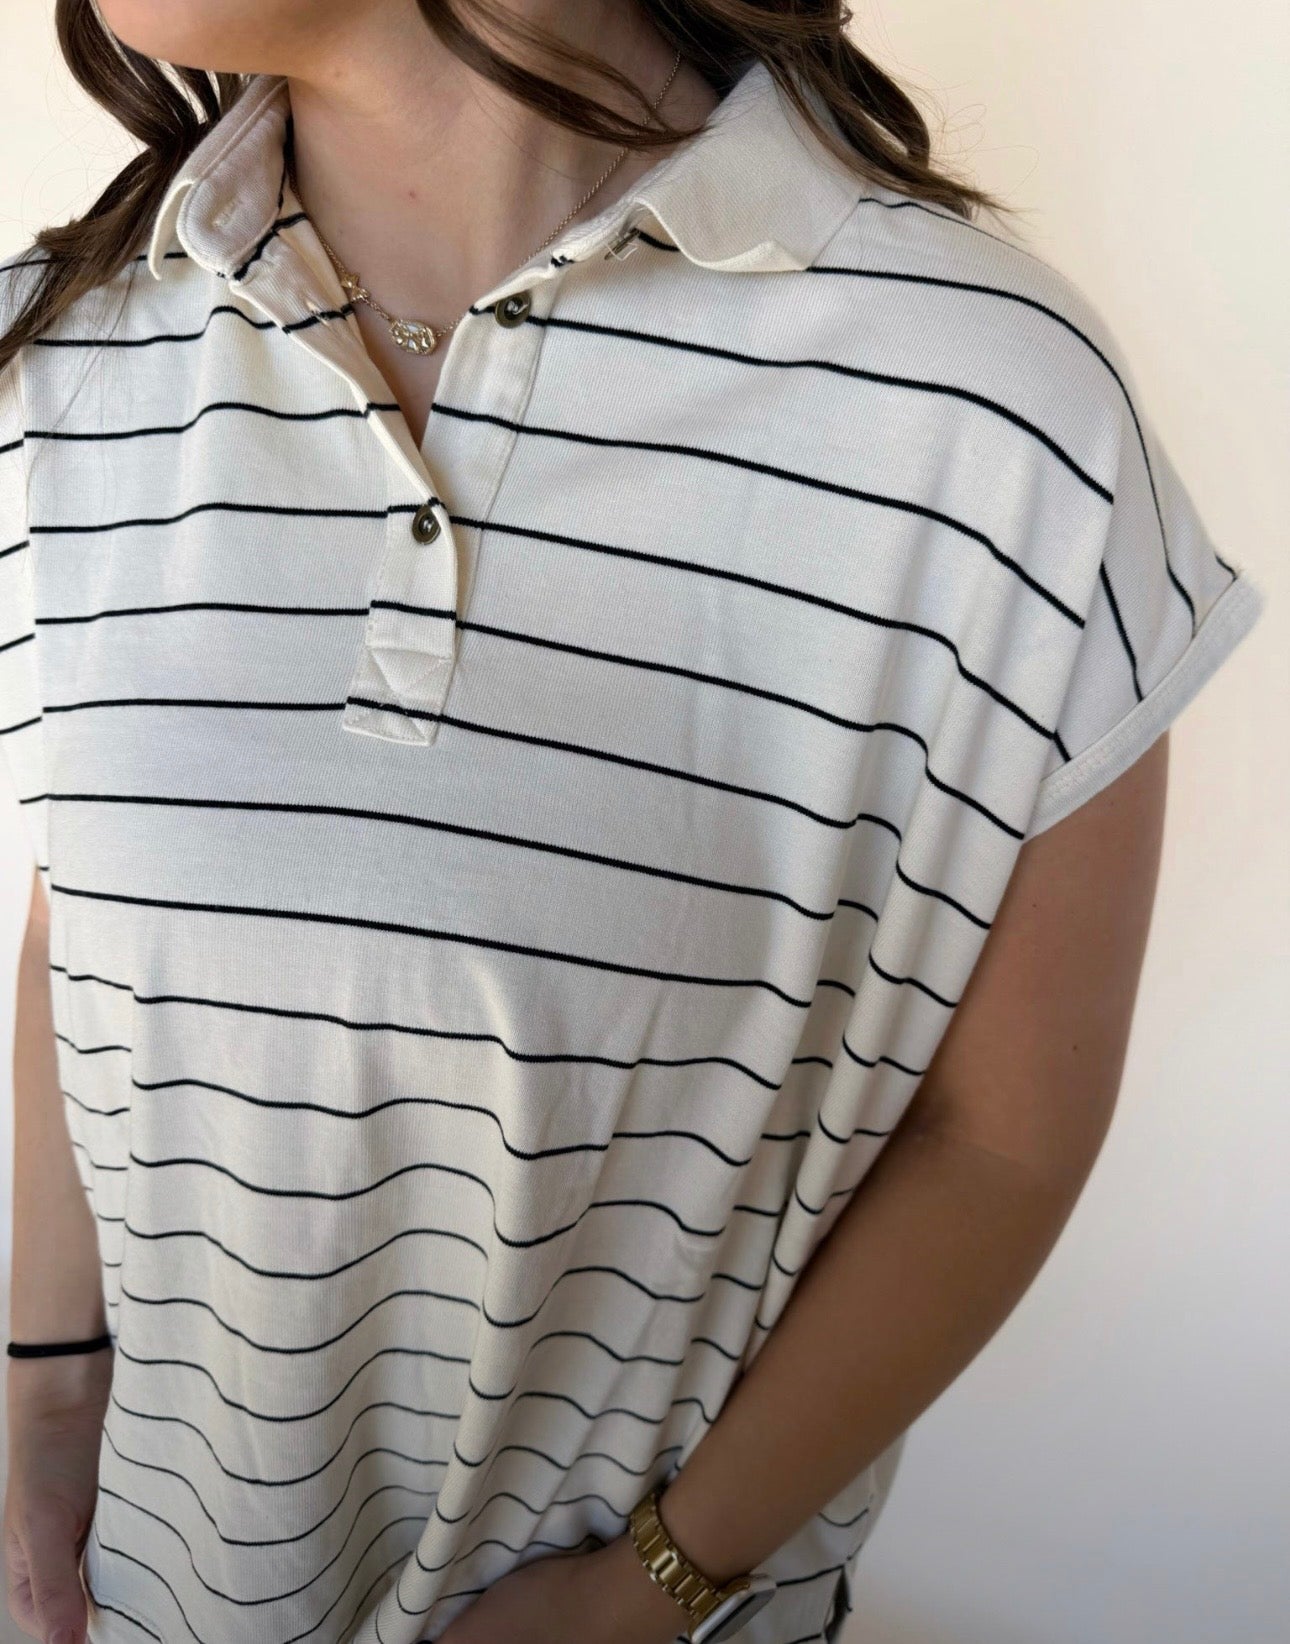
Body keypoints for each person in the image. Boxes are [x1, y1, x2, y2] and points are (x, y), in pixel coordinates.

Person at [0, 3, 1267, 1643]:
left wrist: (650, 1588)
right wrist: (43, 1389)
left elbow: (998, 1139)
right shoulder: (62, 354)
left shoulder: (996, 413)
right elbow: (82, 934)